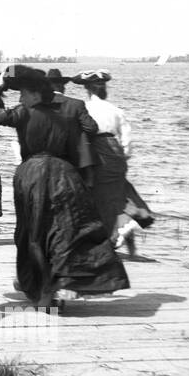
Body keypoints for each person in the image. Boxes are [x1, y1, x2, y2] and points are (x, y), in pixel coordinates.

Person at [0, 66, 130, 308]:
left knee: (33, 232)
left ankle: (42, 290)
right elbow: (92, 129)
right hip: (65, 175)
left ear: (34, 94)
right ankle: (62, 283)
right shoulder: (74, 107)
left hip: (31, 176)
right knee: (64, 231)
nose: (20, 97)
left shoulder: (25, 111)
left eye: (23, 93)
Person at [72, 70, 152, 256]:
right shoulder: (116, 110)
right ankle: (129, 234)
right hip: (114, 154)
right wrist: (122, 158)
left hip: (94, 153)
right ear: (103, 89)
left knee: (96, 198)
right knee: (117, 193)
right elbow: (127, 142)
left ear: (87, 90)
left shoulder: (83, 108)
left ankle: (112, 236)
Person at [46, 68, 99, 179]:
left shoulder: (37, 106)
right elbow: (92, 128)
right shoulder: (77, 104)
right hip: (71, 161)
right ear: (63, 87)